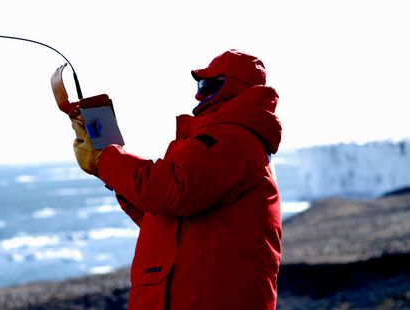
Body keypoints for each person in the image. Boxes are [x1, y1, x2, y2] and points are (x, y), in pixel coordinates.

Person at [71, 49, 283, 310]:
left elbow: (172, 191)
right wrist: (108, 169)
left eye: (207, 85)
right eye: (198, 85)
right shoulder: (225, 142)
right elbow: (162, 217)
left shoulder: (231, 141)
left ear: (234, 89)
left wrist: (107, 159)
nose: (198, 93)